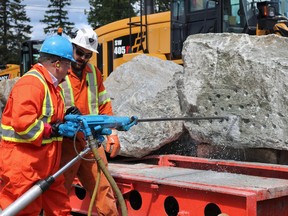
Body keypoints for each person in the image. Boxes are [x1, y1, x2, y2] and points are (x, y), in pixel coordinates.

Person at [0, 35, 77, 215]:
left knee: (61, 210)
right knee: (25, 212)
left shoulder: (51, 86)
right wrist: (53, 130)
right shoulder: (32, 83)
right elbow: (23, 123)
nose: (69, 70)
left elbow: (47, 119)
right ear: (57, 64)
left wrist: (67, 119)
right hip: (24, 166)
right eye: (68, 64)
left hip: (46, 165)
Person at [60, 27, 120, 216]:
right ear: (72, 47)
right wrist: (66, 112)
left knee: (104, 191)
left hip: (92, 142)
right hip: (66, 143)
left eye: (88, 55)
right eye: (80, 53)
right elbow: (47, 105)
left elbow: (104, 104)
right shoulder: (59, 71)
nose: (83, 58)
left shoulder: (94, 73)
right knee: (58, 193)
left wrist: (113, 132)